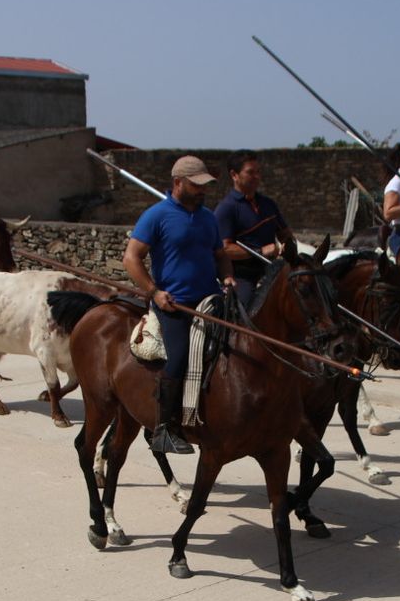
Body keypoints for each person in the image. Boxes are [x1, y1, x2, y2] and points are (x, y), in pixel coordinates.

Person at [122, 155, 236, 454]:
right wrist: (153, 291)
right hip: (174, 305)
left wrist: (227, 278)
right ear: (177, 183)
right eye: (196, 185)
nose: (203, 191)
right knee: (179, 357)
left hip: (211, 301)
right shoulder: (156, 215)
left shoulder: (208, 218)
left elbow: (220, 255)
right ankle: (164, 428)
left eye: (204, 185)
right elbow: (131, 258)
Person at [213, 150, 294, 308]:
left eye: (258, 172)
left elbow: (285, 234)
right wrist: (261, 251)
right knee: (246, 306)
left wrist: (288, 246)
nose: (257, 176)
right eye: (250, 172)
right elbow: (224, 249)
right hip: (242, 275)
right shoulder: (227, 208)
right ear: (234, 175)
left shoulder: (268, 204)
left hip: (271, 269)